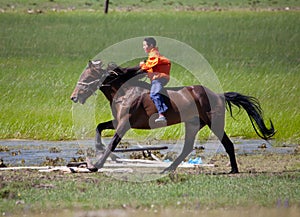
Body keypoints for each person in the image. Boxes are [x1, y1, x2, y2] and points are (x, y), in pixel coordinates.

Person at [139, 37, 171, 123]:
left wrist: (142, 64)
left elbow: (148, 66)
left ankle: (162, 115)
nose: (143, 47)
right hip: (157, 78)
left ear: (151, 45)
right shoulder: (152, 54)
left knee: (154, 94)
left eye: (144, 45)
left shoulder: (154, 54)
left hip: (159, 78)